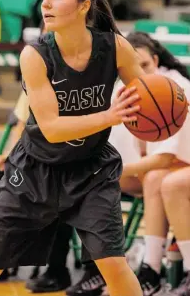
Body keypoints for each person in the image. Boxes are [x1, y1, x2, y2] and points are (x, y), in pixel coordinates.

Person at [0, 0, 146, 296]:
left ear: (84, 4)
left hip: (91, 169)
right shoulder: (35, 55)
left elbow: (146, 98)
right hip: (35, 170)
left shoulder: (115, 47)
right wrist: (110, 115)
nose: (46, 4)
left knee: (114, 265)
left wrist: (165, 108)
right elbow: (52, 128)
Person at [67, 32, 190, 296]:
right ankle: (118, 270)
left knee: (151, 178)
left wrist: (111, 169)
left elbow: (166, 158)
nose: (139, 72)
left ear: (156, 60)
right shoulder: (124, 92)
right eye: (131, 66)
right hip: (159, 171)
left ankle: (154, 269)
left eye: (144, 65)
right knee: (88, 180)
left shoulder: (173, 89)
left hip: (175, 169)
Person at [0, 91, 73, 292]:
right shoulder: (35, 73)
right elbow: (21, 125)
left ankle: (56, 269)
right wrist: (13, 156)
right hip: (33, 154)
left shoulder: (85, 79)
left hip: (69, 155)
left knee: (57, 181)